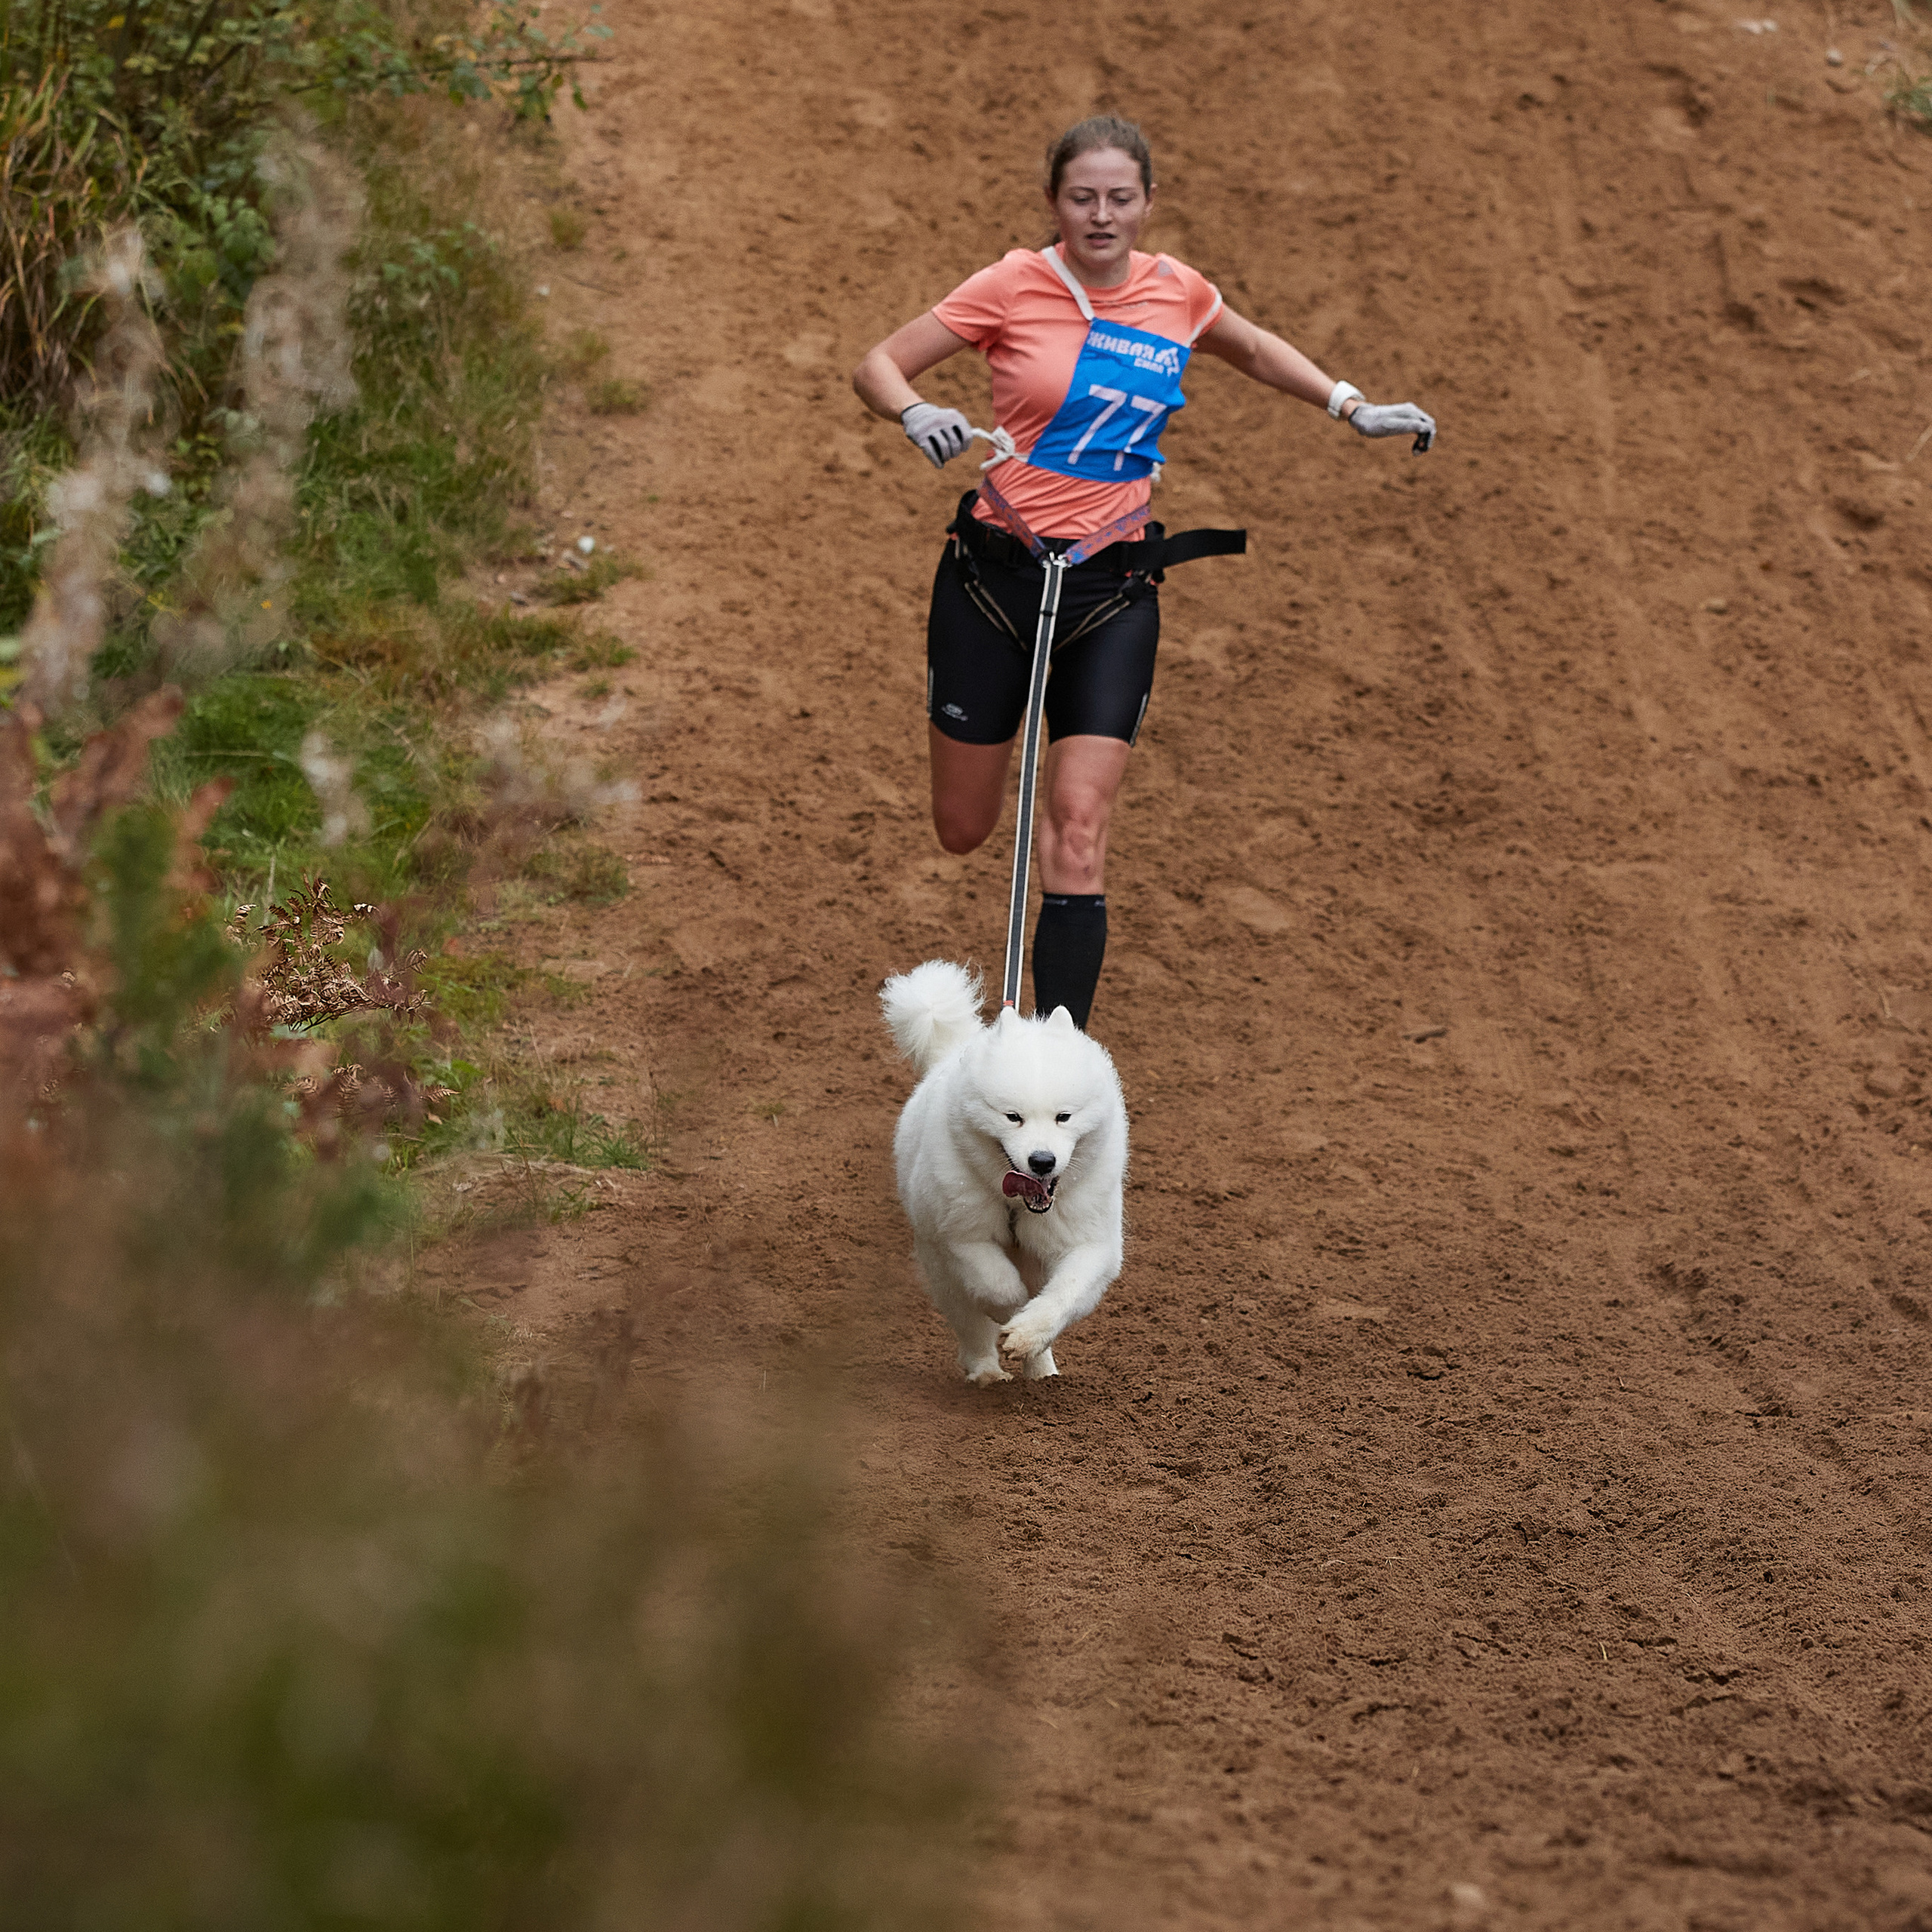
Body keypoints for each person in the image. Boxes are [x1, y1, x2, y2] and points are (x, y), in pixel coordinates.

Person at [852, 114, 1435, 1032]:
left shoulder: (1178, 293)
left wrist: (1346, 403)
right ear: (1053, 203)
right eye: (1082, 197)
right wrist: (913, 409)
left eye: (1120, 198)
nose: (1100, 214)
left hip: (1111, 591)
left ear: (1148, 204)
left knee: (1077, 831)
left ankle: (1056, 1072)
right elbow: (877, 363)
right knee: (962, 828)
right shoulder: (1013, 284)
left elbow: (1246, 345)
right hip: (992, 583)